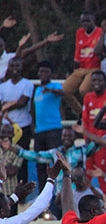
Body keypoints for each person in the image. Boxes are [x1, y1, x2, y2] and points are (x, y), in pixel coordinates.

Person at [32, 61, 64, 190]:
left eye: (46, 71)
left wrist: (50, 90)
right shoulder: (37, 90)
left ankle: (59, 192)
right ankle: (42, 193)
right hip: (39, 131)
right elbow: (34, 110)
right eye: (41, 71)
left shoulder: (55, 86)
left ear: (51, 74)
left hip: (53, 130)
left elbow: (62, 93)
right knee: (40, 164)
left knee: (56, 162)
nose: (43, 74)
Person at [62, 12, 103, 113]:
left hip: (95, 67)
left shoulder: (100, 32)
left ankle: (92, 111)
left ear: (93, 21)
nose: (85, 24)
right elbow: (78, 52)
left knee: (84, 90)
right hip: (81, 68)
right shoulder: (79, 32)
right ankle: (81, 113)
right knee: (64, 89)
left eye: (88, 21)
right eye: (83, 21)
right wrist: (73, 72)